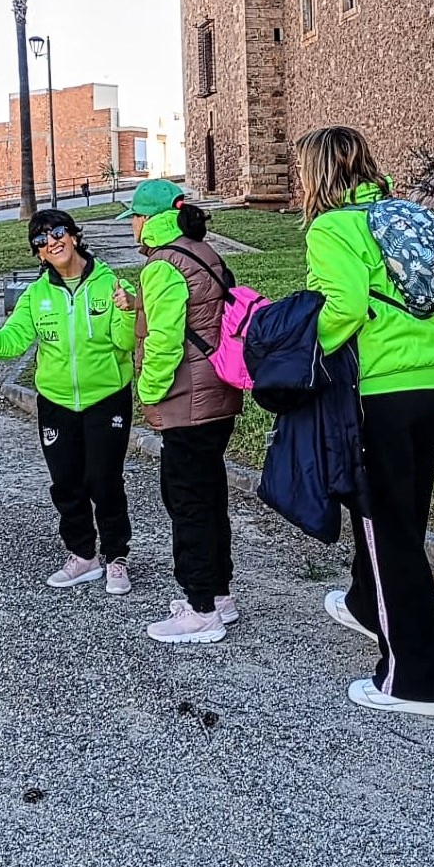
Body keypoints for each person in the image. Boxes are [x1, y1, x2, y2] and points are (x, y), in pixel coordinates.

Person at [294, 126, 434, 717]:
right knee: (403, 521)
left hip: (379, 391)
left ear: (317, 174)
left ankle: (414, 680)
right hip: (429, 381)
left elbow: (342, 305)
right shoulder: (407, 217)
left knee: (388, 532)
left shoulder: (333, 228)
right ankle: (370, 606)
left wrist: (299, 346)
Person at [0, 210, 138, 594]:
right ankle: (82, 555)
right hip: (56, 401)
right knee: (66, 481)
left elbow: (125, 344)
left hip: (107, 397)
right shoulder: (36, 295)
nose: (51, 242)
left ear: (74, 236)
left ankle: (116, 557)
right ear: (38, 254)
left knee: (104, 480)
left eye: (57, 232)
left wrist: (126, 311)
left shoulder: (110, 284)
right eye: (40, 240)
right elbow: (10, 343)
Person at [119, 179, 243, 644]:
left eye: (133, 216)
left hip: (187, 402)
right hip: (216, 394)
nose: (131, 225)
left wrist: (148, 392)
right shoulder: (201, 251)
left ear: (149, 219)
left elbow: (166, 340)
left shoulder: (162, 265)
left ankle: (199, 608)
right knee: (209, 497)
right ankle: (219, 594)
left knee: (187, 502)